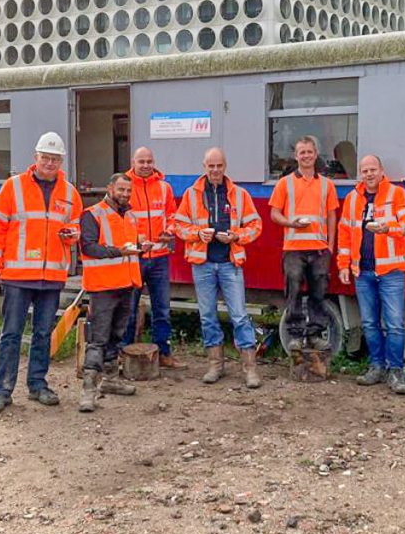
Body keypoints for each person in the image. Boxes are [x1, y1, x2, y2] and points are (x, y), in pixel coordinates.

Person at [0, 132, 83, 414]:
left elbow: (75, 228)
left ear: (61, 161)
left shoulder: (70, 193)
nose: (50, 163)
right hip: (17, 276)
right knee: (11, 334)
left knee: (42, 333)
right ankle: (1, 391)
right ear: (35, 158)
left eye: (55, 159)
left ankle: (38, 385)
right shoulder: (13, 187)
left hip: (51, 277)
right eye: (45, 158)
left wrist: (72, 235)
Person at [175, 148, 264, 387]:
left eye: (219, 166)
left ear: (225, 167)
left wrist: (236, 236)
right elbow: (178, 226)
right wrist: (197, 233)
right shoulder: (191, 194)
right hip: (202, 265)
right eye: (210, 166)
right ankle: (215, 365)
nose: (215, 171)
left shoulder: (239, 194)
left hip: (229, 264)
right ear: (204, 166)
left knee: (240, 316)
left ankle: (249, 368)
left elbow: (256, 225)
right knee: (207, 316)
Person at [337, 155, 405, 394]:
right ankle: (376, 367)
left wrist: (387, 229)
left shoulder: (397, 195)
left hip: (391, 271)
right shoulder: (352, 199)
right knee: (370, 324)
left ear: (382, 171)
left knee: (394, 325)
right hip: (363, 272)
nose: (369, 174)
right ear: (360, 174)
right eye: (364, 171)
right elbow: (345, 234)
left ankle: (396, 371)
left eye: (373, 169)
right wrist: (343, 264)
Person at [78, 173, 143, 412]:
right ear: (110, 188)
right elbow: (88, 247)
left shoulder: (131, 216)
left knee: (117, 335)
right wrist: (119, 252)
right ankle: (88, 391)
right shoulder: (91, 214)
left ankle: (111, 380)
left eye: (128, 190)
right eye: (121, 189)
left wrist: (141, 248)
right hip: (103, 287)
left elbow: (130, 249)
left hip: (126, 285)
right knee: (98, 338)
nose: (125, 194)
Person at [268, 136, 340, 351]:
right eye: (302, 152)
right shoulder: (285, 183)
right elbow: (274, 214)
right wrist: (290, 223)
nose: (306, 156)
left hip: (319, 249)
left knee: (319, 293)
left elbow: (331, 216)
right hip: (293, 249)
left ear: (316, 154)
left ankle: (316, 334)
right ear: (296, 156)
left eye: (310, 152)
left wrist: (330, 247)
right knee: (294, 292)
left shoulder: (327, 185)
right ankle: (296, 335)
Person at [123, 147, 184, 368]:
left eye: (149, 161)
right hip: (133, 257)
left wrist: (169, 230)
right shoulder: (124, 186)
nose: (146, 165)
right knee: (128, 309)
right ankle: (124, 353)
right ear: (133, 162)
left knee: (163, 309)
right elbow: (115, 219)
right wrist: (134, 240)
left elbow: (172, 216)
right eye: (142, 161)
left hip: (159, 257)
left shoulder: (164, 188)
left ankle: (164, 353)